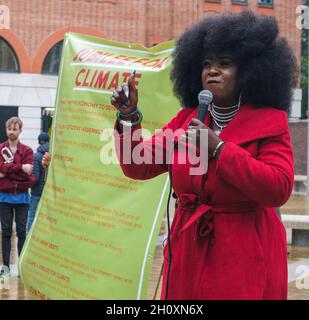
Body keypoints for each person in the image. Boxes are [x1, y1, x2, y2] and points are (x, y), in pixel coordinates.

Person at [111, 11, 297, 300]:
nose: (212, 70)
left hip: (244, 252)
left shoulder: (269, 122)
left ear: (250, 70)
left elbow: (278, 188)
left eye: (225, 64)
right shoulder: (186, 119)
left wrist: (220, 149)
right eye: (206, 64)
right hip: (188, 249)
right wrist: (128, 117)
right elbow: (137, 164)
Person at [0, 117, 35, 277]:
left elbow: (30, 178)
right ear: (6, 129)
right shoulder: (0, 149)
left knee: (21, 232)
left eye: (15, 129)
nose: (12, 132)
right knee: (6, 232)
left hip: (22, 198)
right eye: (10, 129)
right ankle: (5, 268)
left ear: (20, 130)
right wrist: (21, 167)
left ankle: (21, 268)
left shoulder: (27, 151)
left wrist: (6, 173)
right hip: (4, 198)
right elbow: (1, 167)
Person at [26, 132, 49, 232]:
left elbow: (35, 177)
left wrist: (29, 183)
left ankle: (29, 234)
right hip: (48, 192)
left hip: (36, 192)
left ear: (39, 141)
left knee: (32, 215)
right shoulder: (50, 155)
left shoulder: (36, 156)